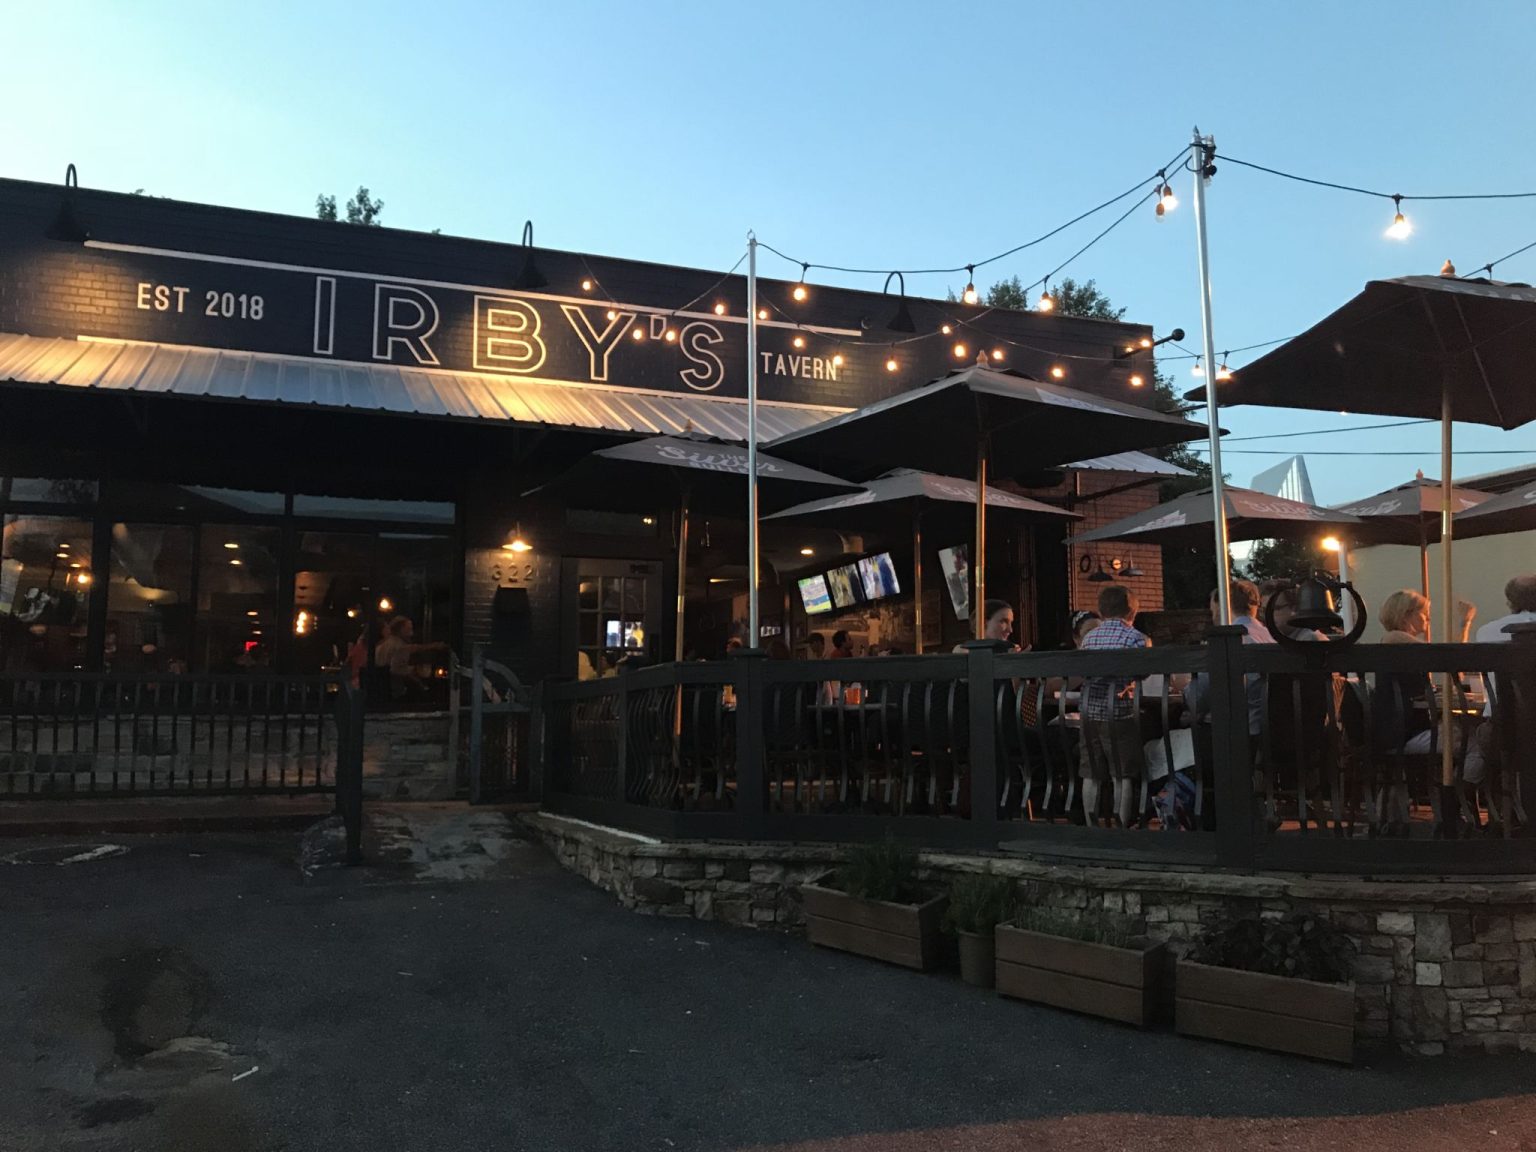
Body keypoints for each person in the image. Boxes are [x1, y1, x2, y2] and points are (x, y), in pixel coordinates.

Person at [1079, 585, 1149, 829]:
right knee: (1122, 774)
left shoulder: (1089, 638)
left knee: (1090, 773)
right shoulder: (1137, 638)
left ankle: (1091, 825)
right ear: (1133, 612)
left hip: (1089, 712)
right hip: (1119, 711)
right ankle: (1120, 826)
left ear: (1101, 611)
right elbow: (1143, 672)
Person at [1464, 575, 1536, 808]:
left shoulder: (1487, 632)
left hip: (1503, 730)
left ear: (1510, 602)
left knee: (1481, 737)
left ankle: (1504, 810)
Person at [1183, 579, 1275, 738]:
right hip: (1268, 730)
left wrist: (1185, 688)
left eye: (1212, 610)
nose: (1213, 615)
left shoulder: (1228, 640)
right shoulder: (1271, 637)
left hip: (1236, 734)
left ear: (1222, 606)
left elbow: (1197, 697)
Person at [374, 615, 450, 699]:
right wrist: (416, 672)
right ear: (401, 629)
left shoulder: (384, 644)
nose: (412, 631)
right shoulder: (400, 646)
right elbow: (397, 669)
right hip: (393, 690)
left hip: (378, 688)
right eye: (409, 628)